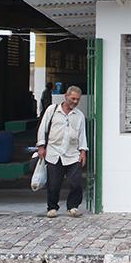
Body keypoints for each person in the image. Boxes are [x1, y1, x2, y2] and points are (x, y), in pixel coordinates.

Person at [36, 85, 88, 218]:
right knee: (53, 183)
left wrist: (83, 151)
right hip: (54, 153)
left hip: (72, 153)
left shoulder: (79, 115)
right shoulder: (52, 110)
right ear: (66, 96)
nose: (75, 102)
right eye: (73, 98)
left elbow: (82, 135)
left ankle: (73, 207)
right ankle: (52, 207)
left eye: (78, 100)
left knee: (76, 182)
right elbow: (43, 128)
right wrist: (41, 146)